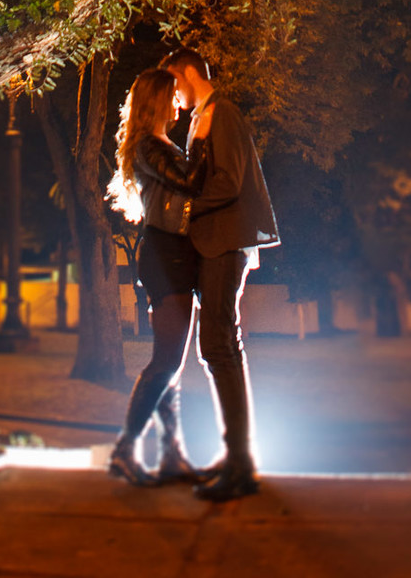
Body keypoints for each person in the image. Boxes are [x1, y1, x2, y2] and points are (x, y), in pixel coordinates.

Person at [162, 47, 279, 502]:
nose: (174, 95)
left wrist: (185, 209)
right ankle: (236, 458)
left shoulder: (223, 112)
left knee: (218, 346)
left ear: (189, 73)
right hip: (215, 244)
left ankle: (240, 464)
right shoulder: (202, 117)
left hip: (225, 244)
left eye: (174, 84)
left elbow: (229, 181)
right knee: (220, 346)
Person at [106, 68, 205, 487]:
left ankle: (172, 454)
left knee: (170, 363)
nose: (179, 102)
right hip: (166, 256)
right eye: (172, 95)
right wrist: (205, 140)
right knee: (167, 361)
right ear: (156, 100)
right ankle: (126, 450)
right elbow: (189, 182)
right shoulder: (149, 145)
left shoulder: (158, 144)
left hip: (172, 255)